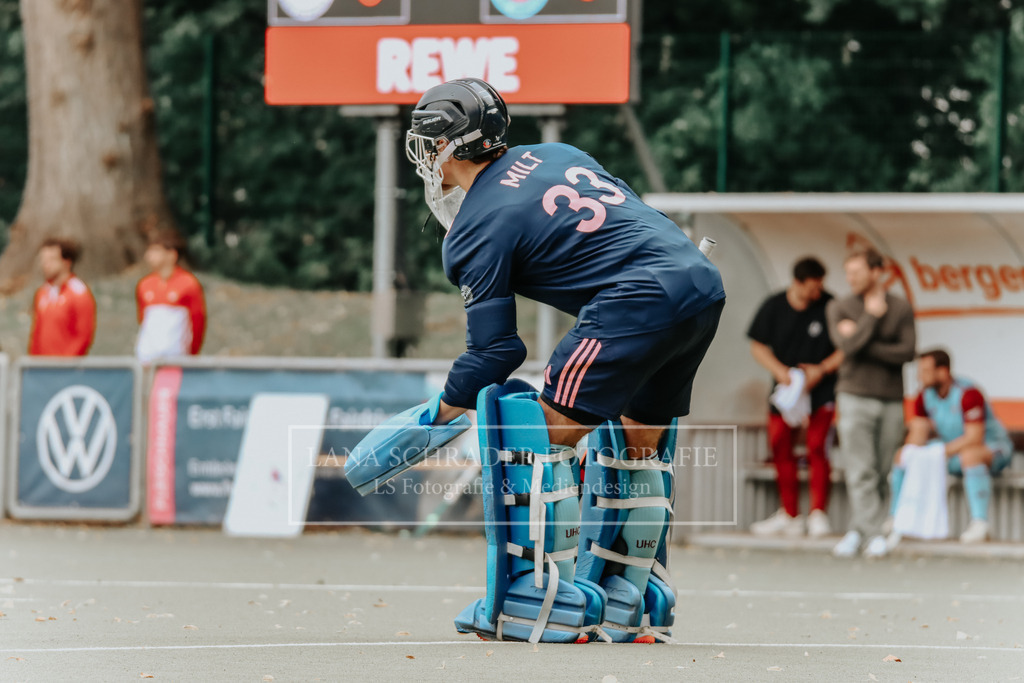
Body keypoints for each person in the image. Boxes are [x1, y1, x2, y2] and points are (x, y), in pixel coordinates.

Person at [352, 77, 724, 643]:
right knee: (637, 449)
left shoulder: (476, 225)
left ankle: (538, 598)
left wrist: (436, 415)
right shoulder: (557, 154)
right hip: (698, 284)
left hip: (636, 298)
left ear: (450, 146)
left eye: (429, 143)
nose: (425, 157)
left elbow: (497, 352)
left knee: (536, 441)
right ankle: (629, 599)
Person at [826, 246, 916, 558]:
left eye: (857, 272)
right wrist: (871, 317)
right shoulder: (840, 306)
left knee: (880, 471)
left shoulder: (902, 307)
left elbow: (907, 352)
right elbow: (847, 347)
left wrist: (865, 341)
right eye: (848, 272)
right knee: (860, 469)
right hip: (853, 396)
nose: (850, 278)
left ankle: (857, 530)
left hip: (891, 399)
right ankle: (875, 534)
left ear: (877, 272)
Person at [747, 257, 842, 538]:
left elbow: (845, 348)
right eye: (813, 287)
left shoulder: (829, 305)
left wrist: (821, 370)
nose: (817, 292)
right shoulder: (774, 306)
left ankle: (818, 513)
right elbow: (757, 345)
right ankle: (789, 513)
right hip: (785, 393)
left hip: (820, 391)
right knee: (779, 445)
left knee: (817, 447)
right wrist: (780, 372)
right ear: (798, 282)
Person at [888, 349, 1014, 545]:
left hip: (993, 450)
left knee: (970, 455)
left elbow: (974, 438)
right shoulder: (923, 396)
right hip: (954, 454)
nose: (920, 376)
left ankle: (980, 523)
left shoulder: (969, 394)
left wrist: (937, 453)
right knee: (903, 456)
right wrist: (913, 455)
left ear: (943, 371)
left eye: (925, 371)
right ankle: (898, 517)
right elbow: (918, 432)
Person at [135, 229, 207, 363]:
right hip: (146, 359)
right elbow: (142, 318)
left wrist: (191, 353)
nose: (149, 256)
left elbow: (197, 321)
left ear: (171, 254)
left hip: (175, 359)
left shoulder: (189, 284)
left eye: (156, 250)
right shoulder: (144, 284)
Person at [29, 237, 96, 356]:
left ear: (66, 262)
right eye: (43, 260)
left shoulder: (79, 293)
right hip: (40, 369)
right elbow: (36, 333)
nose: (46, 264)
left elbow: (83, 336)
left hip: (65, 370)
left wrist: (64, 365)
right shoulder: (42, 292)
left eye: (52, 259)